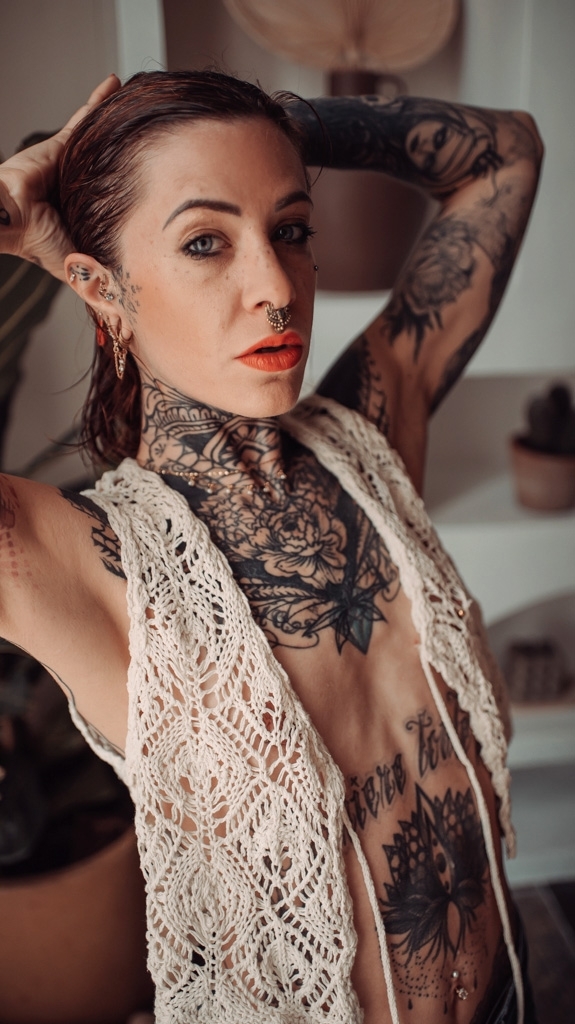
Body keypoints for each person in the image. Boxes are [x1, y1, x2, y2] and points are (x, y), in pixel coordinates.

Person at [0, 70, 543, 1024]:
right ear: (100, 288)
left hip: (511, 996)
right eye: (205, 242)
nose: (276, 289)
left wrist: (275, 126)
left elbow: (506, 154)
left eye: (289, 229)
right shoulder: (78, 560)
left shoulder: (370, 441)